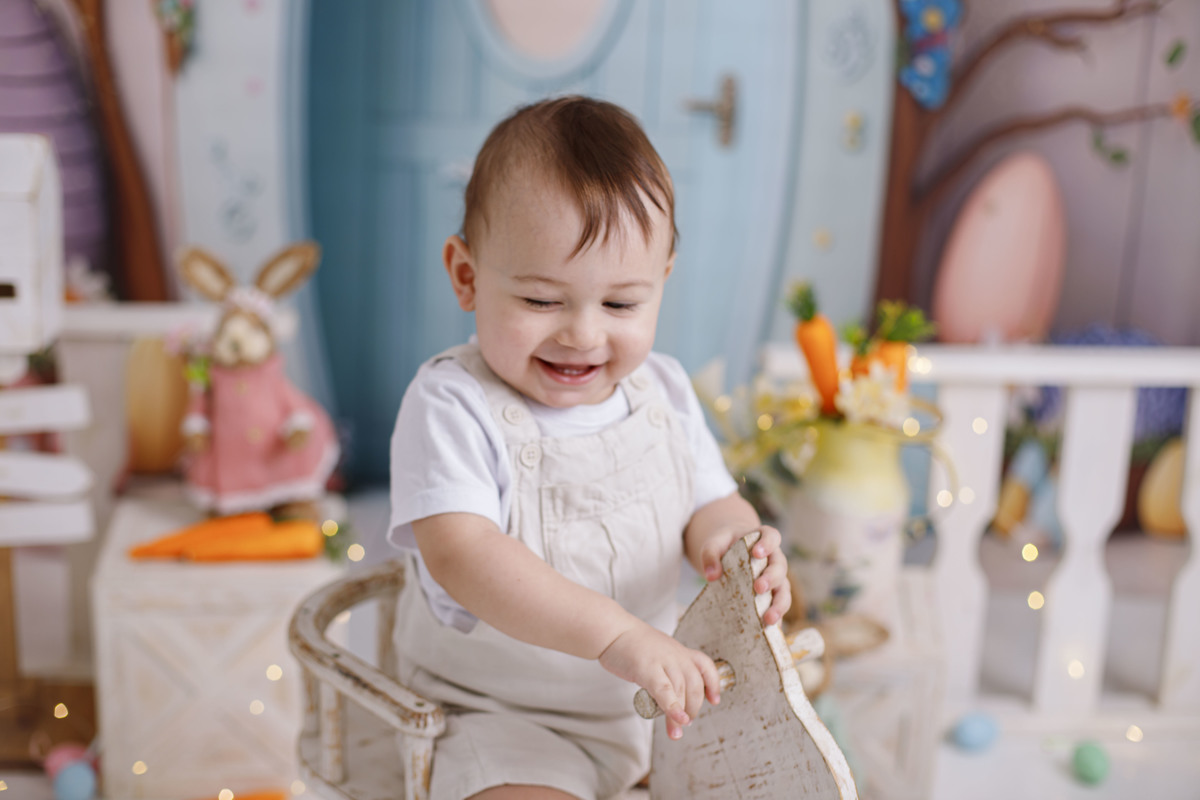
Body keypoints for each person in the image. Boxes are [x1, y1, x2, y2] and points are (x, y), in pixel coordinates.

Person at [388, 96, 790, 800]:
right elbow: (464, 555)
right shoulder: (452, 405)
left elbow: (712, 503)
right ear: (467, 276)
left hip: (656, 705)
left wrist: (737, 545)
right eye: (542, 301)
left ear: (662, 282)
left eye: (621, 304)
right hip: (500, 719)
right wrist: (617, 637)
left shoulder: (663, 391)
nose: (581, 334)